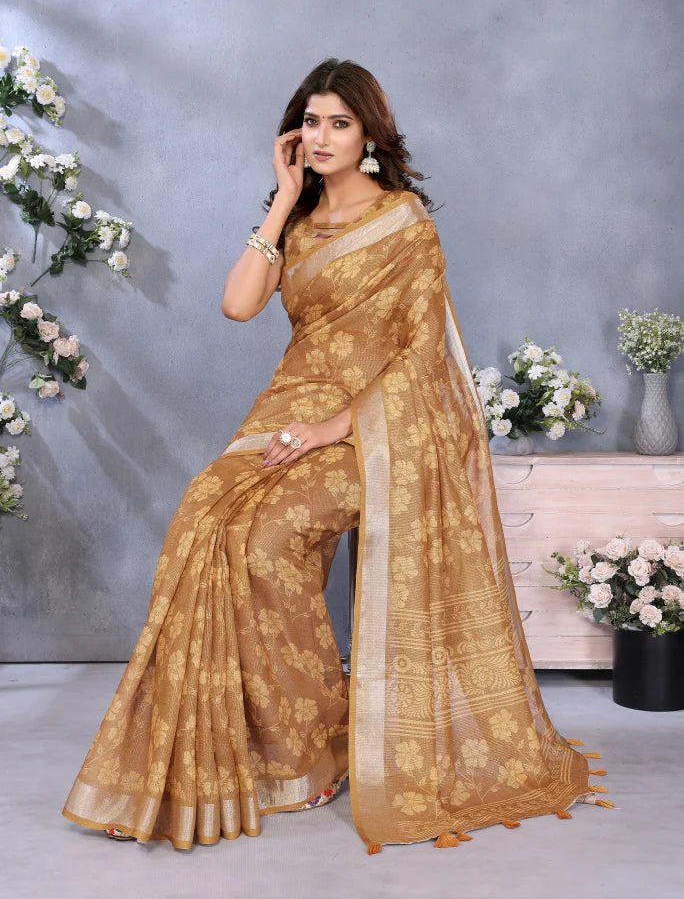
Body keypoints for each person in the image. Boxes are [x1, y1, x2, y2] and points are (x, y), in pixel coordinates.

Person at [61, 57, 612, 854]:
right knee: (200, 523)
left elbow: (424, 357)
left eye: (338, 123)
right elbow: (238, 304)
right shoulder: (294, 220)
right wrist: (284, 197)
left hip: (375, 427)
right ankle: (281, 741)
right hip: (282, 415)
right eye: (310, 122)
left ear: (369, 135)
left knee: (270, 540)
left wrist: (335, 428)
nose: (321, 137)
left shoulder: (404, 223)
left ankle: (310, 743)